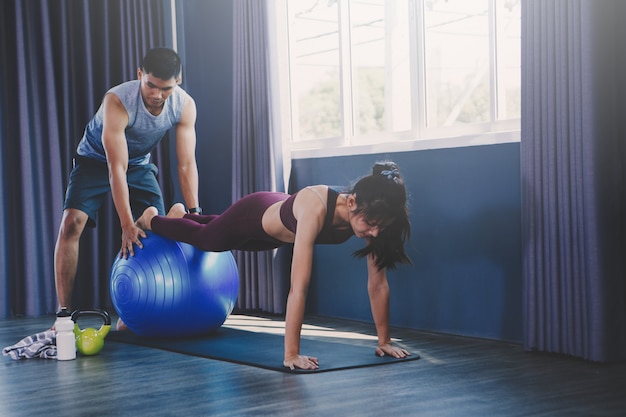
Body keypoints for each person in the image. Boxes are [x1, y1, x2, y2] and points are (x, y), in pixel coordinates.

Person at [135, 161, 411, 370]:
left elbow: (377, 285)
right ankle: (152, 219)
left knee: (215, 227)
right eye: (372, 225)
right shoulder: (316, 207)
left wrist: (384, 341)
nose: (375, 233)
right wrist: (291, 354)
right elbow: (298, 288)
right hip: (254, 215)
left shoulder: (370, 218)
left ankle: (180, 216)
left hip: (273, 234)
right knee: (208, 240)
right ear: (351, 202)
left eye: (381, 227)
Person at [54, 48, 201, 326]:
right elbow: (116, 168)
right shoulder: (118, 101)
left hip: (139, 164)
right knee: (72, 223)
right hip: (94, 160)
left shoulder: (184, 105)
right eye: (151, 85)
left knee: (155, 225)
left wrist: (195, 212)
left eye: (165, 88)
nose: (157, 94)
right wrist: (125, 225)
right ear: (139, 75)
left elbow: (185, 165)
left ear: (178, 80)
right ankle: (63, 313)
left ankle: (135, 311)